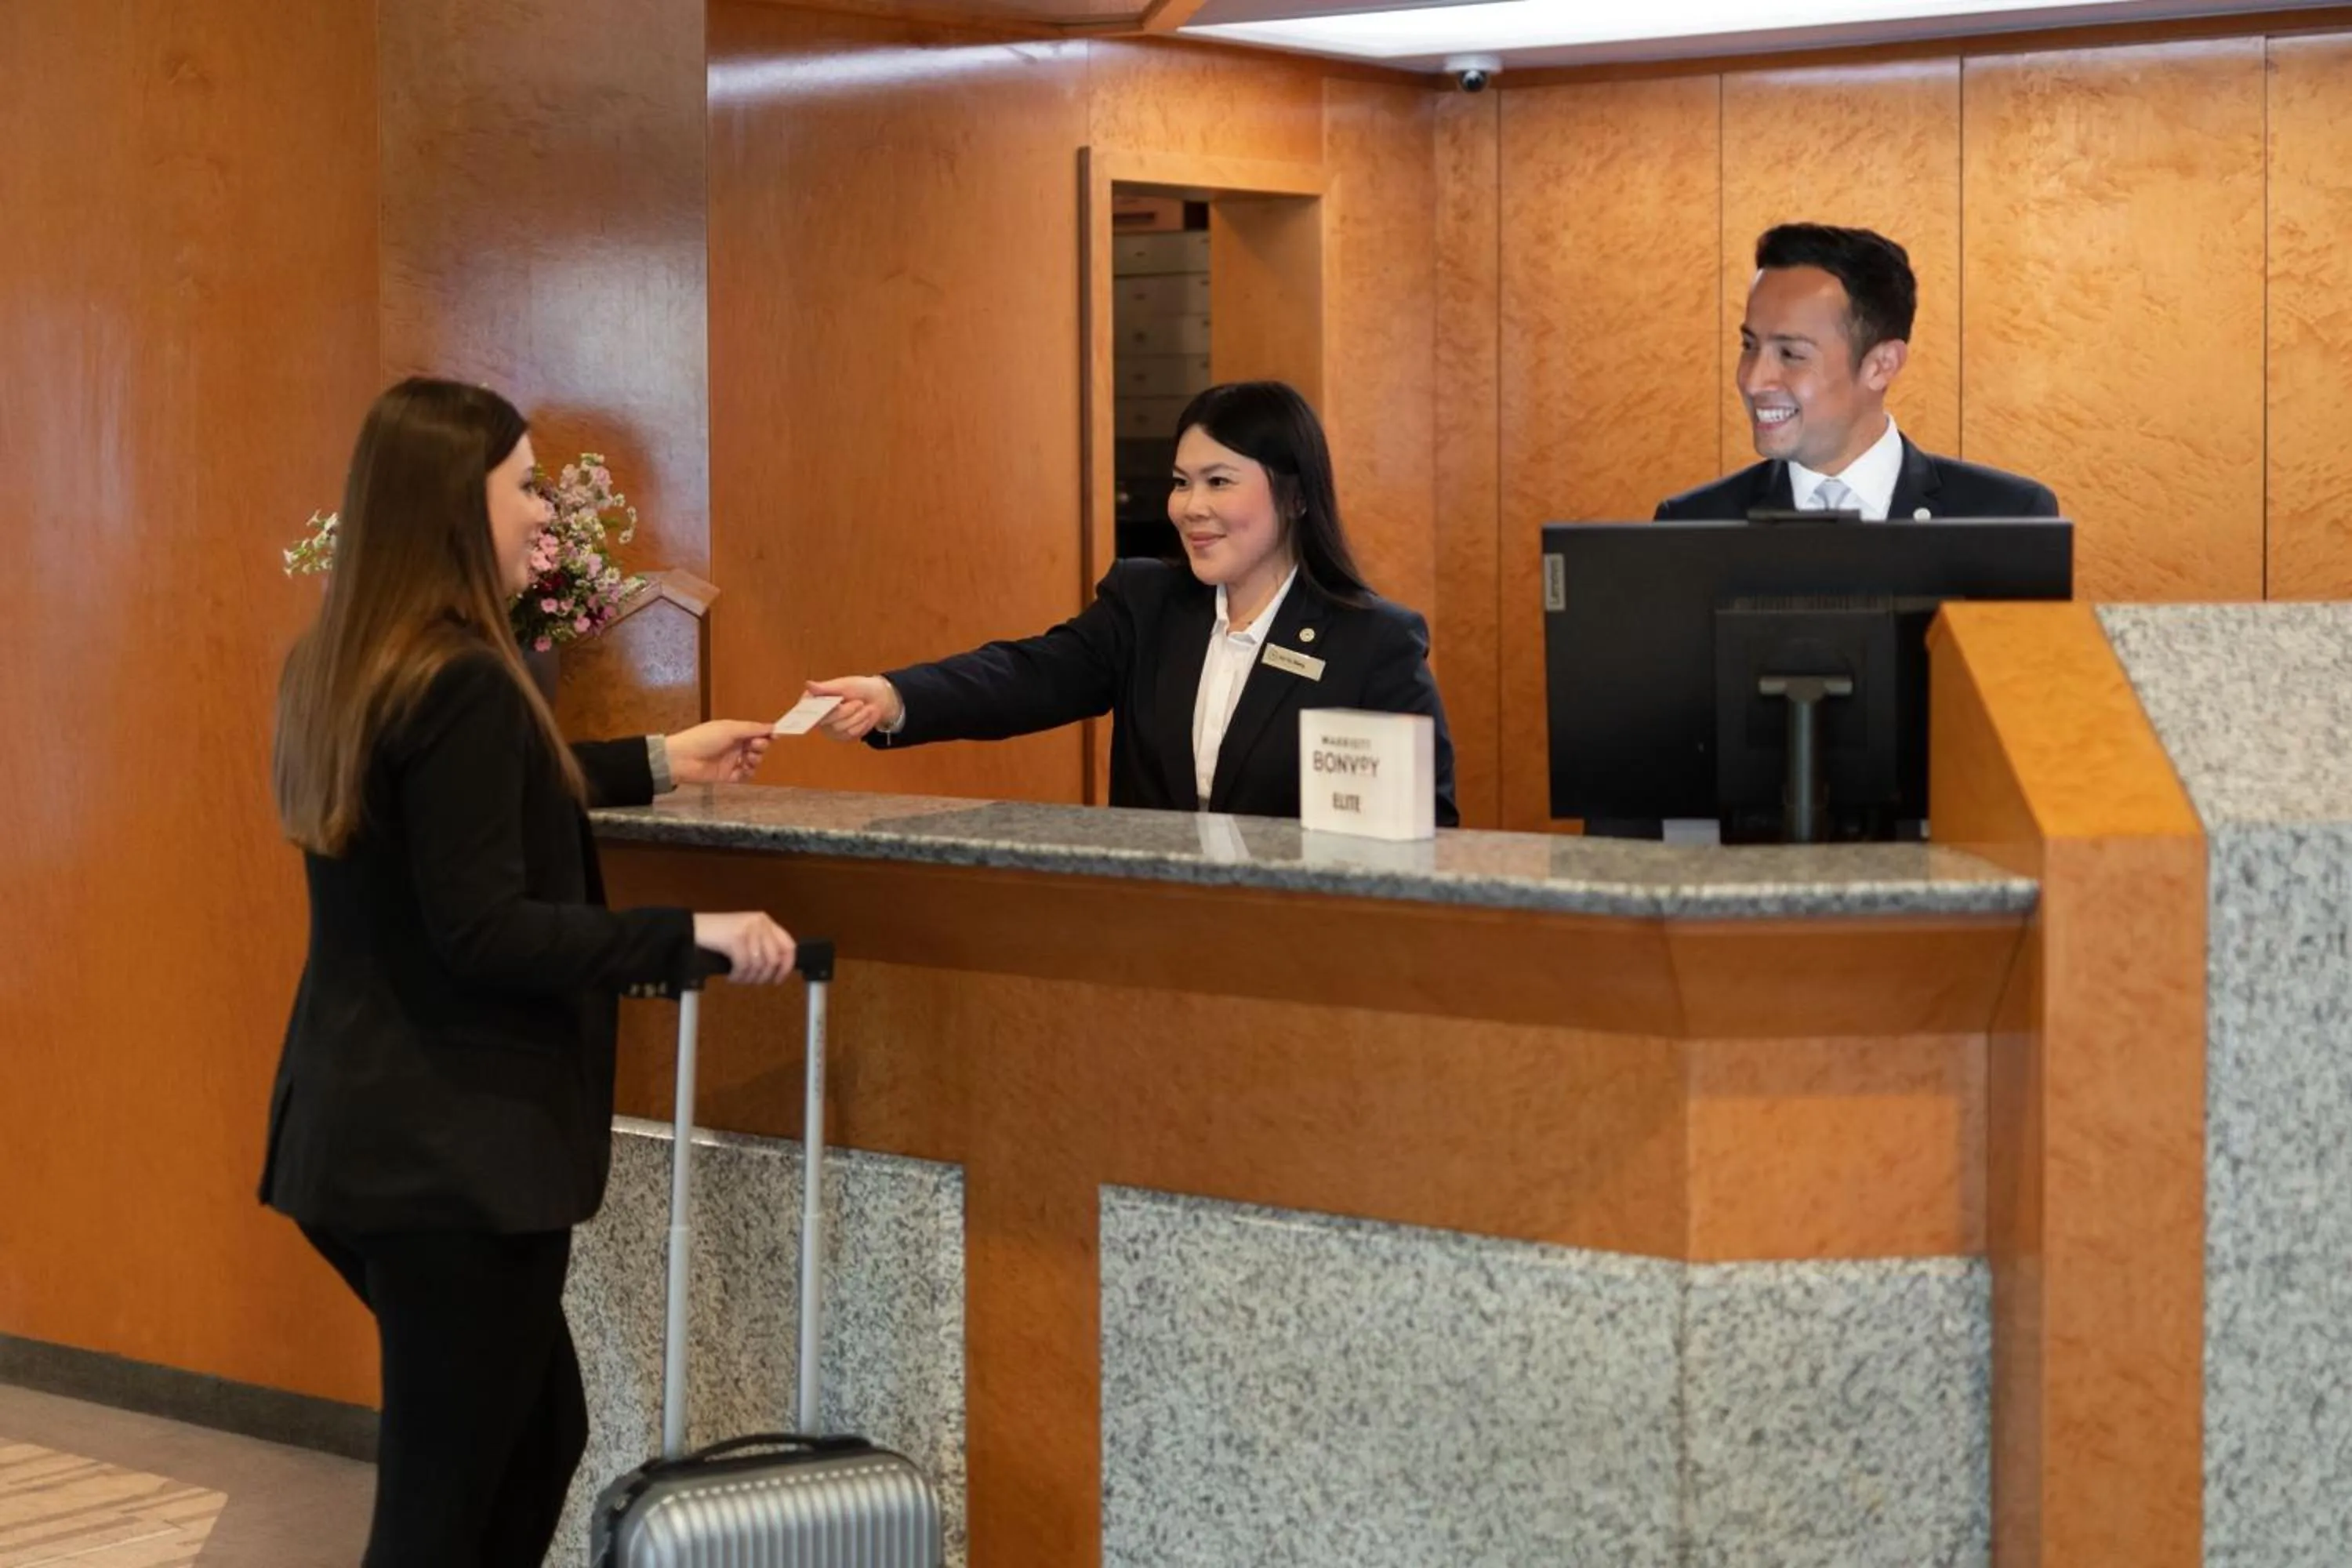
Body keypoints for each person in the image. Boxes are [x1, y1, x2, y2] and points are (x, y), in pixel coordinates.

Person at [261, 377, 797, 1566]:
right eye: (522, 489)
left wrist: (661, 758)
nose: (545, 519)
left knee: (540, 1432)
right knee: (440, 1512)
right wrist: (687, 936)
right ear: (459, 504)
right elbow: (486, 926)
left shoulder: (354, 659)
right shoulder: (458, 678)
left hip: (358, 1139)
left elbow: (470, 808)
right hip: (451, 1157)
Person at [806, 380, 1458, 826]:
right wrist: (894, 698)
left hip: (1300, 956)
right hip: (1150, 940)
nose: (1191, 507)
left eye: (1219, 482)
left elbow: (1426, 824)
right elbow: (1030, 675)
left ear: (1294, 497)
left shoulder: (1373, 642)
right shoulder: (1148, 606)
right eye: (1181, 483)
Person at [1657, 223, 2059, 522]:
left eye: (1791, 354)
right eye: (1749, 346)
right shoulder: (1690, 523)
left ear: (1882, 365)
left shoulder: (2008, 516)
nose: (1753, 380)